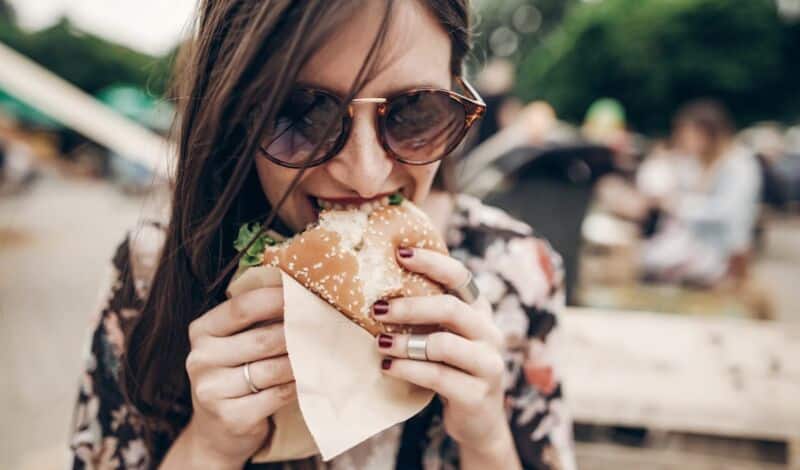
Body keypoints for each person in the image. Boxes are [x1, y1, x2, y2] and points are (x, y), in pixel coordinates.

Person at [69, 1, 575, 469]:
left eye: (415, 110)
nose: (365, 174)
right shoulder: (150, 270)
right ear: (232, 115)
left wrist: (486, 438)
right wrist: (209, 446)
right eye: (301, 115)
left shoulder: (519, 272)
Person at [639, 100, 762, 285]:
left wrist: (677, 204)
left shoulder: (739, 165)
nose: (683, 141)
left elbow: (727, 213)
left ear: (707, 133)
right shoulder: (699, 162)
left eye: (688, 134)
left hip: (723, 254)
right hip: (696, 247)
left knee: (650, 261)